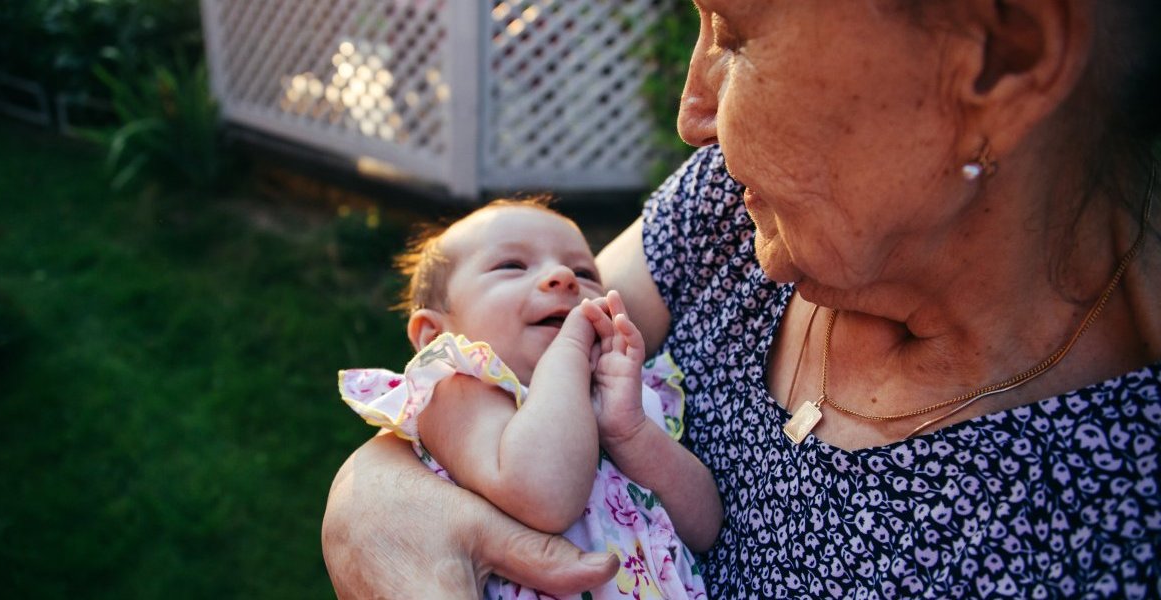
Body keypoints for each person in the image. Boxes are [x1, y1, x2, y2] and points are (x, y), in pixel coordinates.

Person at [323, 0, 1160, 597]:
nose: (694, 115)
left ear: (1000, 55)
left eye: (735, 31)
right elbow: (499, 355)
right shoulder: (744, 203)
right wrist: (366, 505)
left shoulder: (1119, 517)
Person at [335, 198, 721, 598]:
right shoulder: (458, 389)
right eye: (512, 266)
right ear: (435, 336)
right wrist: (569, 351)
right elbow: (545, 498)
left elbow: (705, 526)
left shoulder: (626, 395)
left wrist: (630, 432)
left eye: (585, 272)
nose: (563, 277)